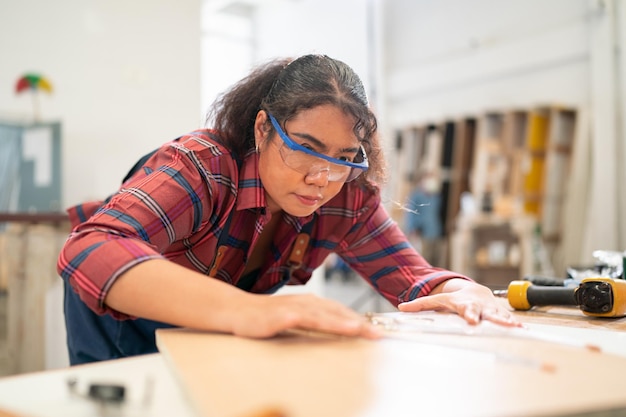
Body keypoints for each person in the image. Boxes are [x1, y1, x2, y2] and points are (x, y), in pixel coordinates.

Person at [57, 54, 520, 365]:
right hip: (120, 318)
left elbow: (413, 278)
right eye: (304, 148)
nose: (321, 178)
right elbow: (91, 247)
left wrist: (463, 289)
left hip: (212, 318)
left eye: (343, 158)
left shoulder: (347, 195)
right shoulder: (204, 166)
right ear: (263, 129)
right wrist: (245, 311)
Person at [403, 170, 444, 267]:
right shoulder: (416, 196)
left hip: (435, 231)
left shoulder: (435, 196)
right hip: (422, 232)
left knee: (435, 259)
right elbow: (411, 214)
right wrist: (414, 229)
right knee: (424, 259)